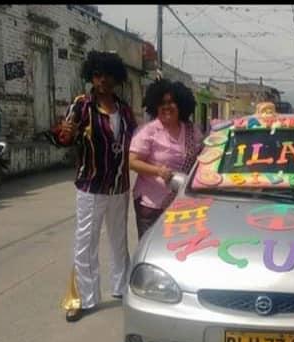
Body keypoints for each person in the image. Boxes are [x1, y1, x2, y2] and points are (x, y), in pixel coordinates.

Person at [52, 51, 137, 322]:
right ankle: (83, 299)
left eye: (108, 75)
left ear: (116, 78)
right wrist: (65, 135)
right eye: (98, 75)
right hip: (90, 185)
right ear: (92, 76)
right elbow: (65, 137)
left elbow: (134, 141)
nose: (103, 81)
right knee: (85, 243)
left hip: (119, 186)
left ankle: (122, 288)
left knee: (119, 240)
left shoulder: (124, 109)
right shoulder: (82, 105)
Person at [129, 78, 204, 240]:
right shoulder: (148, 131)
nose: (166, 107)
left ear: (181, 104)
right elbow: (132, 161)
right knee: (151, 249)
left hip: (182, 203)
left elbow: (204, 157)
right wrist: (157, 171)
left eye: (171, 102)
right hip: (151, 205)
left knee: (177, 246)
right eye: (162, 103)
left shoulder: (192, 131)